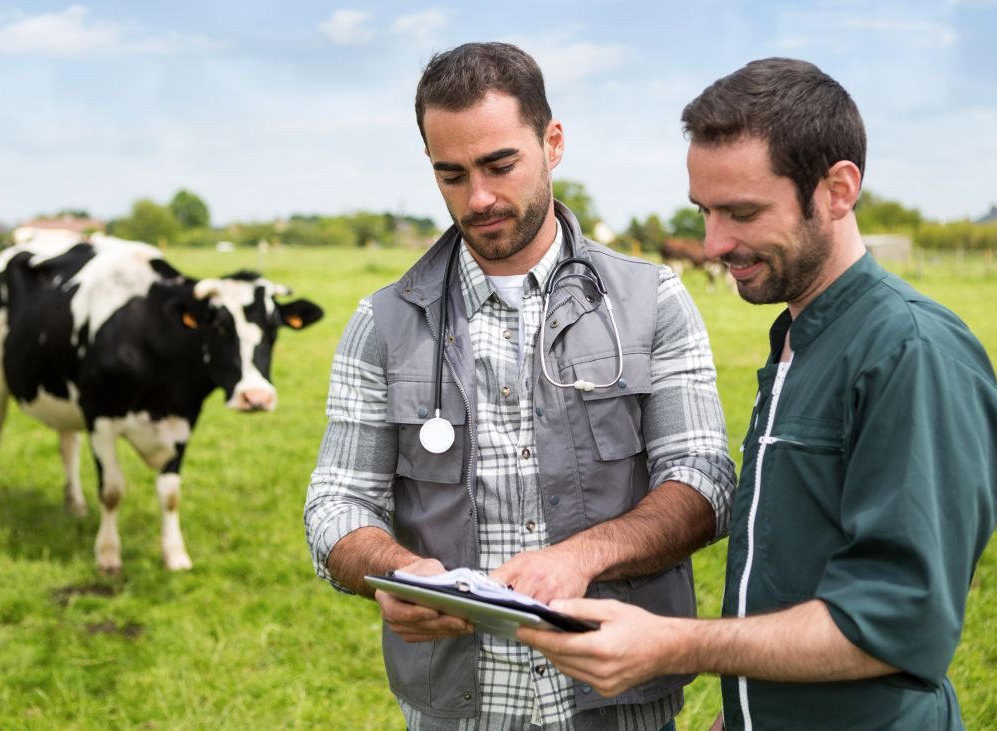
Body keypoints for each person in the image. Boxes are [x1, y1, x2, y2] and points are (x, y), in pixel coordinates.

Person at [518, 57, 997, 730]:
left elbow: (895, 621)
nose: (714, 243)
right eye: (705, 211)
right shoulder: (796, 337)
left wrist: (670, 641)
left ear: (838, 190)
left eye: (742, 212)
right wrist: (746, 711)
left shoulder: (909, 353)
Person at [304, 42, 735, 730]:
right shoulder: (380, 323)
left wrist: (584, 554)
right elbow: (335, 504)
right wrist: (391, 567)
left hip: (617, 697)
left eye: (500, 165)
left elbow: (705, 482)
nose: (477, 198)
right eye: (451, 175)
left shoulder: (653, 300)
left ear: (552, 141)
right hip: (458, 707)